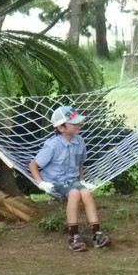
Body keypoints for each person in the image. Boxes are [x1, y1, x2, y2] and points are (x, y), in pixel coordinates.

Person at [29, 105, 111, 252]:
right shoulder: (52, 145)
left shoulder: (79, 141)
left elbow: (79, 162)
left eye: (78, 122)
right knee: (74, 193)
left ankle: (97, 234)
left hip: (73, 181)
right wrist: (41, 183)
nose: (78, 125)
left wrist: (81, 180)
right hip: (56, 183)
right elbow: (33, 165)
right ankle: (73, 236)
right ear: (61, 128)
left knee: (85, 193)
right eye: (73, 123)